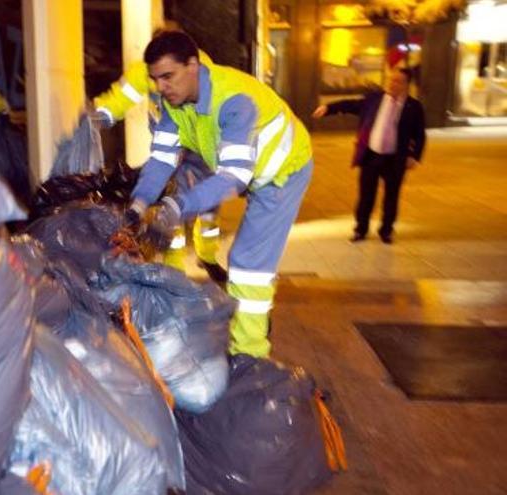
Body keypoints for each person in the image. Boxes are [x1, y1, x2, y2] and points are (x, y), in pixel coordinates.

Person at [129, 30, 313, 358]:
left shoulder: (235, 101)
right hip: (233, 166)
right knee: (189, 196)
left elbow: (234, 176)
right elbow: (160, 160)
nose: (161, 87)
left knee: (247, 262)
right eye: (155, 79)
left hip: (281, 173)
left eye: (168, 76)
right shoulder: (174, 105)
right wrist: (138, 205)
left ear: (193, 66)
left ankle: (251, 355)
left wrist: (176, 206)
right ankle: (249, 330)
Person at [92, 48, 227, 283]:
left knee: (207, 208)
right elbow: (121, 97)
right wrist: (100, 115)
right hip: (170, 145)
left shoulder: (200, 68)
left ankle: (207, 255)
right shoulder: (145, 70)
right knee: (170, 209)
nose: (162, 85)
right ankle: (175, 272)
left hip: (201, 147)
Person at [312, 68, 426, 244]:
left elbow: (419, 134)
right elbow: (351, 105)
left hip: (395, 159)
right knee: (366, 195)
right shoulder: (375, 99)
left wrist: (414, 156)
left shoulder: (414, 107)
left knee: (391, 196)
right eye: (391, 79)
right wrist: (328, 108)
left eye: (398, 81)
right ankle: (361, 229)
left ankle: (386, 231)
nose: (392, 83)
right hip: (371, 155)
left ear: (406, 85)